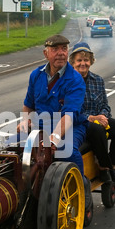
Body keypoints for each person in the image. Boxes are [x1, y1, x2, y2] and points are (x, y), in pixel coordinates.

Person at [19, 34, 92, 206]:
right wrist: (24, 122)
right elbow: (28, 104)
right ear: (46, 54)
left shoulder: (75, 80)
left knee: (68, 151)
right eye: (55, 49)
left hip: (71, 126)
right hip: (41, 126)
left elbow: (69, 115)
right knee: (12, 147)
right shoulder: (36, 75)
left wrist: (55, 137)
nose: (60, 53)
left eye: (64, 49)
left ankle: (82, 187)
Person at [69, 42, 115, 183]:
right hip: (80, 122)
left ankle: (112, 166)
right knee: (97, 129)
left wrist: (103, 116)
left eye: (86, 60)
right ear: (73, 62)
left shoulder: (97, 80)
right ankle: (104, 169)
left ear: (91, 61)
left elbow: (105, 105)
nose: (82, 63)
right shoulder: (68, 82)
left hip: (99, 120)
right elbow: (70, 110)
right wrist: (91, 118)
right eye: (79, 60)